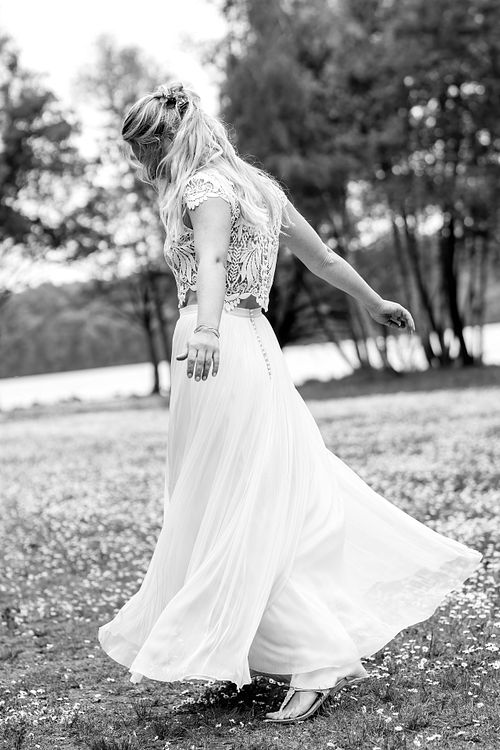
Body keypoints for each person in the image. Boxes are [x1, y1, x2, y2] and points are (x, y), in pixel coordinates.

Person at [97, 81, 483, 723]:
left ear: (167, 138)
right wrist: (375, 302)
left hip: (218, 344)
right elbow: (323, 259)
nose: (140, 162)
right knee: (241, 498)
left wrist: (207, 330)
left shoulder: (204, 188)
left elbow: (212, 261)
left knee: (235, 502)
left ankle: (315, 658)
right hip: (254, 342)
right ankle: (245, 653)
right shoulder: (259, 188)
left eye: (143, 148)